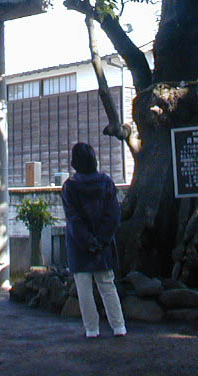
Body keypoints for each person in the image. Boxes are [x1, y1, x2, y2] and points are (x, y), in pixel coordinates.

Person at [60, 142, 127, 338]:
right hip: (104, 247)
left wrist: (87, 241)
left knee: (84, 289)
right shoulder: (106, 183)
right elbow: (113, 215)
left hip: (79, 246)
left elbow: (73, 219)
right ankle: (119, 326)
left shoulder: (69, 187)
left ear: (75, 163)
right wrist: (101, 240)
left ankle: (92, 329)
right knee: (107, 285)